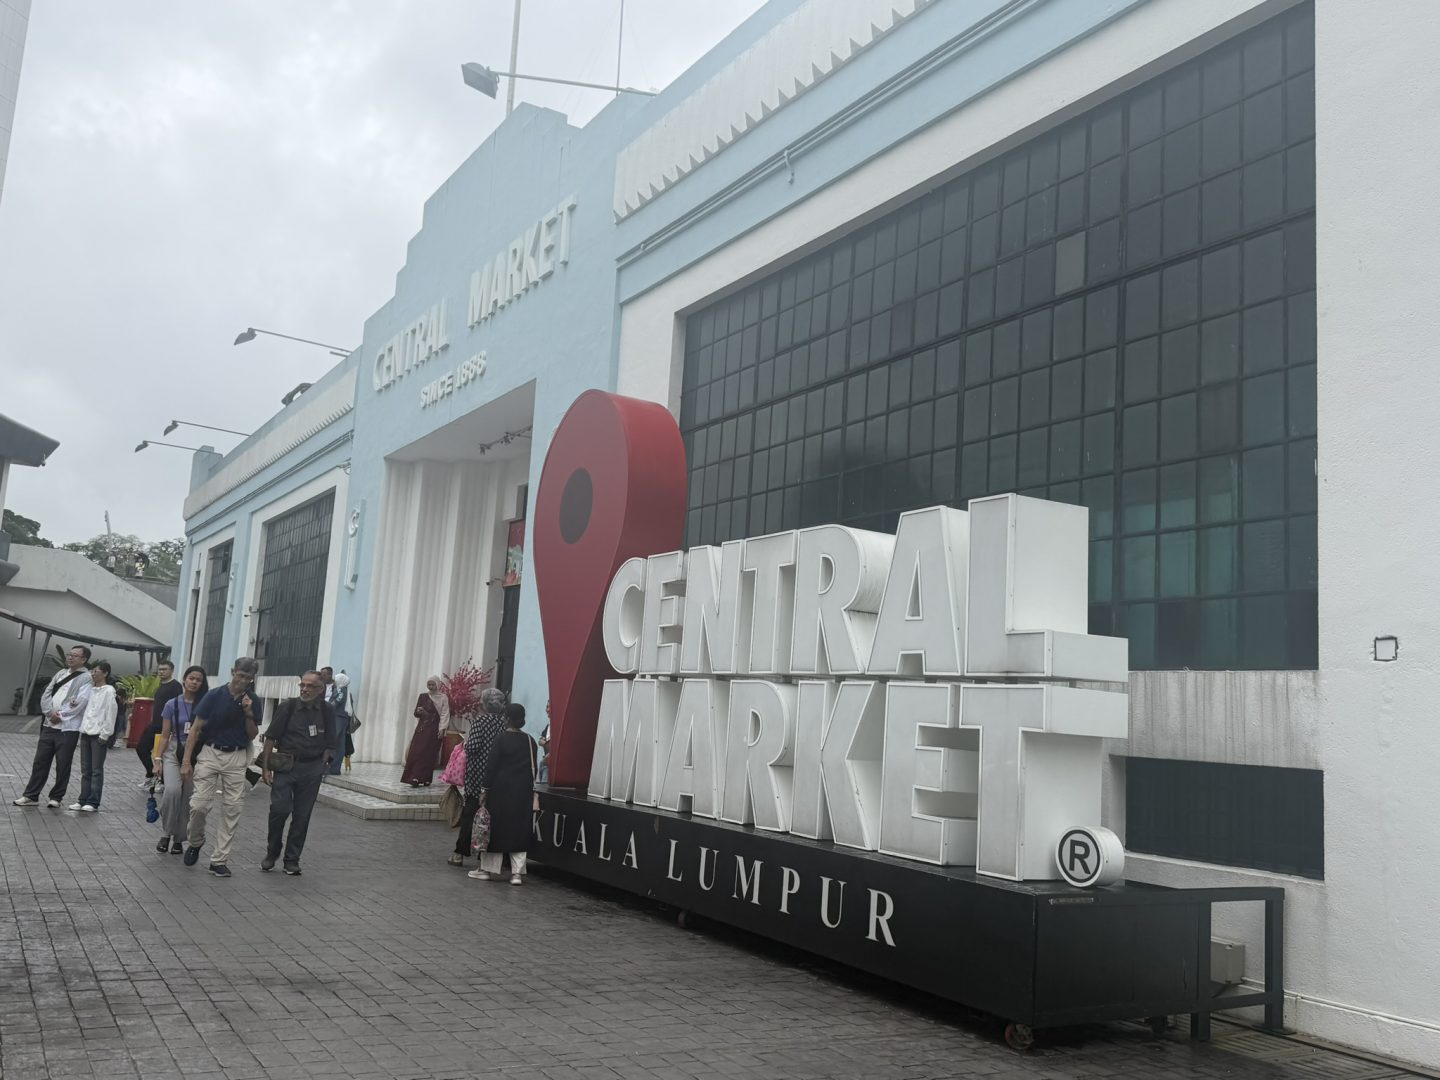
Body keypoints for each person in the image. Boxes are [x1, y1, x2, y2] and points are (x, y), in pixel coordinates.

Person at [181, 656, 263, 878]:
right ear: (233, 671)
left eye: (248, 677)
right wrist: (187, 762)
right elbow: (196, 729)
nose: (243, 680)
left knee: (232, 808)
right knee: (199, 805)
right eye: (240, 675)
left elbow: (253, 734)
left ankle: (219, 859)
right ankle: (196, 842)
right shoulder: (214, 695)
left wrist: (248, 713)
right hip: (210, 752)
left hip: (237, 756)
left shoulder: (253, 700)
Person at [259, 670, 336, 875]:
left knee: (302, 816)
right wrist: (266, 768)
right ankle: (272, 851)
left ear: (321, 690)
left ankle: (292, 859)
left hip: (312, 769)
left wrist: (325, 760)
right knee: (279, 810)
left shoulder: (327, 710)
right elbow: (270, 738)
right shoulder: (288, 707)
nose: (305, 689)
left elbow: (331, 740)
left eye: (310, 686)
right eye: (302, 685)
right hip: (286, 766)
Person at [14, 645, 92, 808]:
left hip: (67, 729)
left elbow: (80, 702)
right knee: (40, 761)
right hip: (49, 725)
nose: (70, 658)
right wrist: (50, 714)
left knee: (63, 764)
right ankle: (31, 795)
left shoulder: (86, 678)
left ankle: (56, 797)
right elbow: (46, 695)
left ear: (84, 659)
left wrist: (61, 716)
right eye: (69, 655)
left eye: (75, 656)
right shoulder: (60, 673)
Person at [470, 702, 536, 885]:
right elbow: (534, 770)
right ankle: (517, 873)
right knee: (519, 829)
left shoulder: (501, 739)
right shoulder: (530, 741)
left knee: (496, 828)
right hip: (522, 790)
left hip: (500, 790)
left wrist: (484, 790)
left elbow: (491, 768)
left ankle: (487, 870)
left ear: (506, 718)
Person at [153, 665, 208, 853]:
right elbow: (165, 734)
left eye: (198, 679)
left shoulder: (205, 704)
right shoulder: (172, 704)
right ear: (184, 680)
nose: (194, 682)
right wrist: (157, 759)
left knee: (187, 798)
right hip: (174, 751)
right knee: (172, 792)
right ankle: (166, 833)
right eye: (191, 678)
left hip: (196, 754)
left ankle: (179, 839)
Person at [449, 687, 507, 866]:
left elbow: (472, 747)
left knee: (470, 814)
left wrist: (465, 744)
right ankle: (485, 854)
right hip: (496, 776)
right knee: (491, 816)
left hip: (477, 776)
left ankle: (460, 853)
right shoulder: (503, 723)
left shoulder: (480, 721)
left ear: (484, 703)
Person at [73, 661, 118, 812]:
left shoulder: (109, 691)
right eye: (92, 671)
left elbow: (111, 713)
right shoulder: (91, 690)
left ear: (105, 673)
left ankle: (93, 801)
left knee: (96, 770)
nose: (93, 674)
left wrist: (105, 734)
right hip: (85, 732)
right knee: (86, 769)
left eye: (96, 671)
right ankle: (82, 799)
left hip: (98, 734)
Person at [143, 660, 183, 787]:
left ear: (171, 670)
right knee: (141, 748)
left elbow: (178, 706)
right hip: (154, 723)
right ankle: (152, 775)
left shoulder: (175, 686)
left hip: (165, 726)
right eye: (160, 669)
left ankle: (162, 781)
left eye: (164, 669)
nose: (161, 672)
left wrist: (173, 726)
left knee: (163, 754)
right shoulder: (161, 685)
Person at [401, 677, 446, 787]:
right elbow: (416, 713)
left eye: (433, 684)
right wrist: (419, 711)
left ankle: (426, 778)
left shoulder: (443, 698)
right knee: (417, 752)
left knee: (430, 754)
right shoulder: (423, 696)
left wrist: (442, 729)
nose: (431, 687)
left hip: (435, 730)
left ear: (438, 685)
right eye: (429, 684)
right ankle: (414, 777)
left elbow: (445, 714)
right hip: (422, 729)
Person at [323, 667, 353, 775]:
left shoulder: (341, 690)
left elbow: (336, 702)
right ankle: (334, 768)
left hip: (338, 718)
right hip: (342, 718)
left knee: (332, 742)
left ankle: (330, 767)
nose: (335, 682)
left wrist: (325, 708)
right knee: (340, 745)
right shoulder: (344, 690)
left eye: (336, 680)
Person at [537, 700, 551, 784]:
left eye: (550, 707)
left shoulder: (558, 725)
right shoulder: (549, 725)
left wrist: (545, 743)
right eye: (547, 706)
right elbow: (540, 740)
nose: (547, 709)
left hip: (549, 764)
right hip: (544, 762)